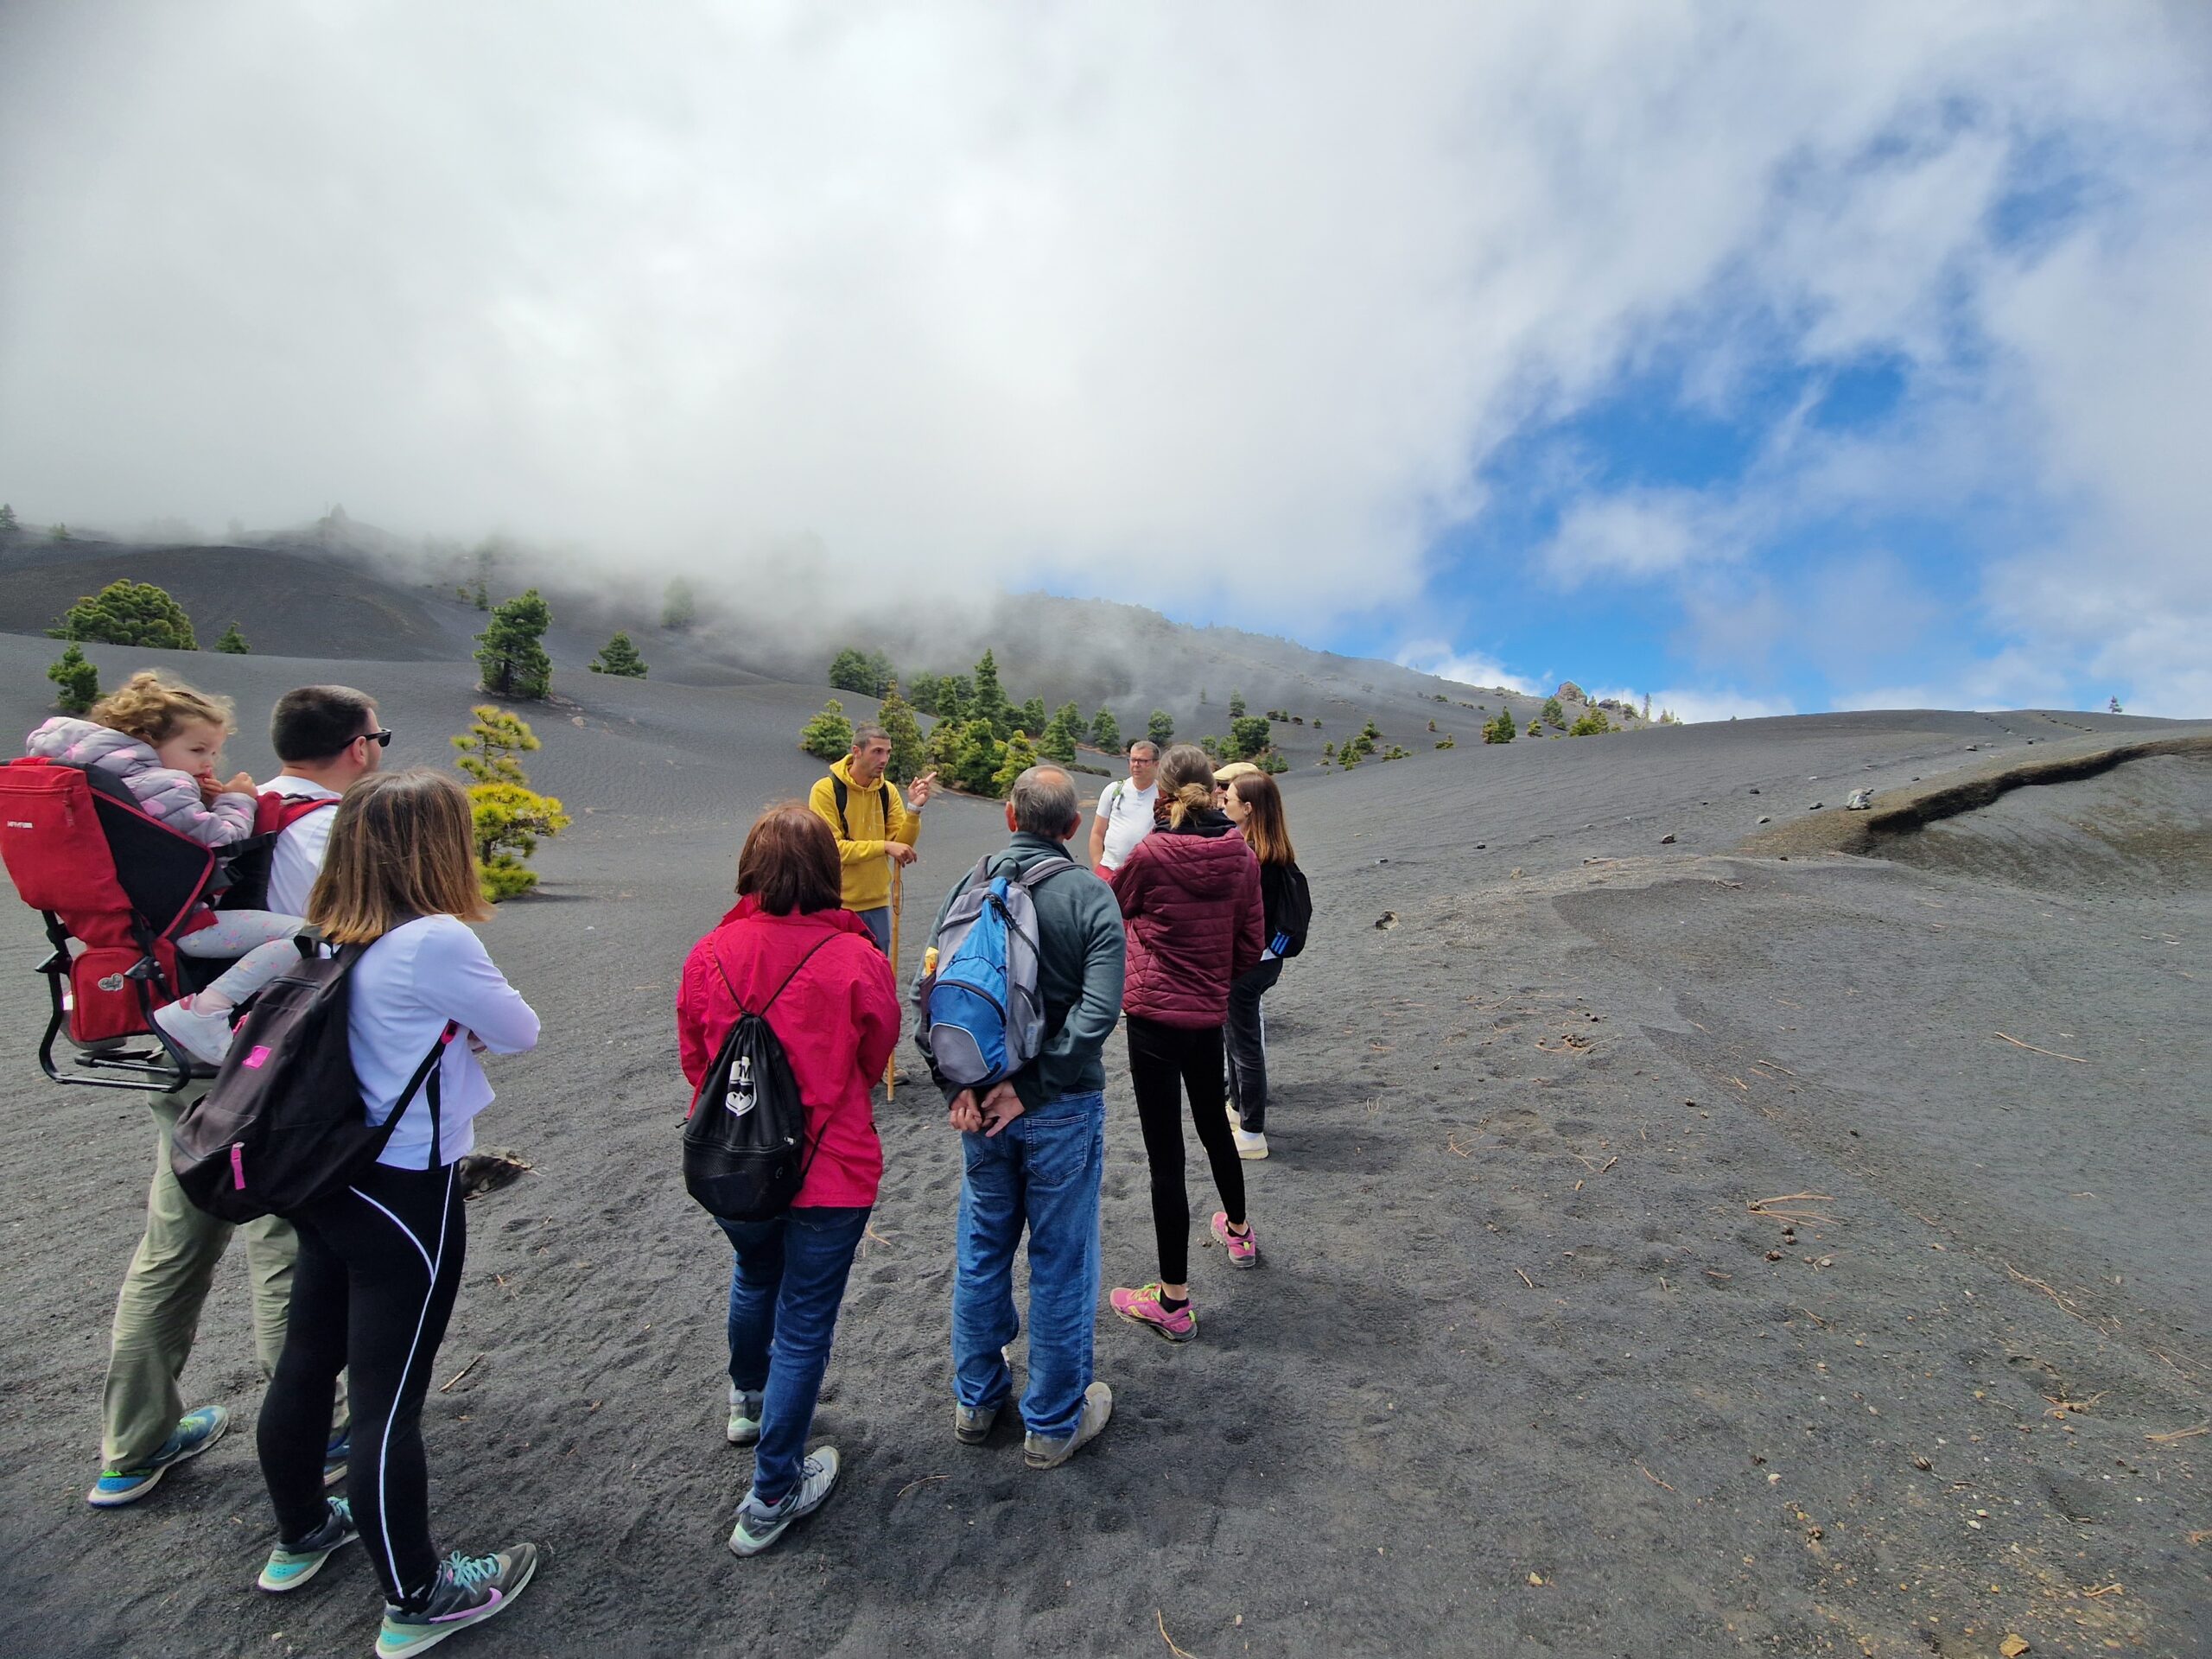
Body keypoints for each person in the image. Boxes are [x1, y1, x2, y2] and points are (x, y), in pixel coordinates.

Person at [44, 677, 372, 1509]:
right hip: (240, 1057)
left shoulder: (124, 803)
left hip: (156, 1030)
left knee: (172, 1247)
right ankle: (319, 1426)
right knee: (279, 1237)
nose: (211, 763)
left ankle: (133, 1445)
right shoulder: (223, 813)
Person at [253, 768, 541, 1652]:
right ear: (438, 848)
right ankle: (418, 1594)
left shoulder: (328, 933)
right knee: (389, 1396)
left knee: (307, 1357)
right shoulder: (434, 940)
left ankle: (301, 1531)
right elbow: (520, 1028)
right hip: (402, 1184)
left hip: (325, 1172)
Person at [677, 804, 899, 1556]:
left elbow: (696, 1059)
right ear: (825, 871)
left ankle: (747, 1400)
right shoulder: (856, 956)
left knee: (753, 1274)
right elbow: (875, 1054)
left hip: (733, 1164)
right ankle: (773, 1491)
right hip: (830, 1169)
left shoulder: (710, 950)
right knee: (804, 1321)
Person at [923, 765, 1126, 1468]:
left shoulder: (968, 882)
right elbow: (1100, 1011)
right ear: (1072, 828)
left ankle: (976, 1401)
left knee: (983, 1251)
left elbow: (931, 988)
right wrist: (1035, 1089)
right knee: (1062, 1259)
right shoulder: (1090, 896)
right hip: (1061, 1106)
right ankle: (1051, 1422)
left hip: (980, 1105)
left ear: (1010, 818)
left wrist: (955, 1088)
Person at [25, 673, 315, 1067]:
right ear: (147, 740)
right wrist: (238, 800)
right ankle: (204, 1012)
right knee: (300, 934)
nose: (207, 763)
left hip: (112, 919)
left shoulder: (86, 773)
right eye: (198, 750)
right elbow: (220, 841)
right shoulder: (163, 784)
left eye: (213, 753)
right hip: (181, 923)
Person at [1103, 745, 1264, 1343]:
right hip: (1207, 1014)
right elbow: (1250, 945)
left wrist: (1147, 952)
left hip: (1151, 1019)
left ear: (1165, 794)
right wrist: (1210, 975)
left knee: (1165, 1154)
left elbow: (1115, 909)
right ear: (1213, 790)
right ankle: (1240, 1233)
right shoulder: (1241, 856)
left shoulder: (1150, 853)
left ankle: (1173, 1301)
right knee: (1214, 1125)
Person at [1221, 771, 1301, 1160]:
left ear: (1248, 808)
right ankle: (1238, 1108)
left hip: (1250, 963)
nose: (1224, 803)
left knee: (1244, 1046)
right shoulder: (1272, 851)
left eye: (1230, 799)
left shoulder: (1253, 855)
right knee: (1236, 1039)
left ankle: (1252, 1133)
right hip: (1265, 960)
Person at [806, 724, 935, 955]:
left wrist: (914, 809)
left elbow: (902, 845)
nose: (884, 759)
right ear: (857, 751)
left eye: (888, 752)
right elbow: (832, 850)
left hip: (878, 903)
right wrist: (884, 845)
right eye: (877, 751)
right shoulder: (826, 790)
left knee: (876, 976)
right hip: (837, 904)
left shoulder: (888, 791)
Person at [1085, 740, 1159, 873]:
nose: (1136, 765)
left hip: (1146, 875)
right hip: (1110, 869)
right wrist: (1099, 869)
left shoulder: (1165, 796)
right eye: (1133, 760)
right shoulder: (1114, 790)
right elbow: (1097, 833)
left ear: (1156, 764)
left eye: (1143, 761)